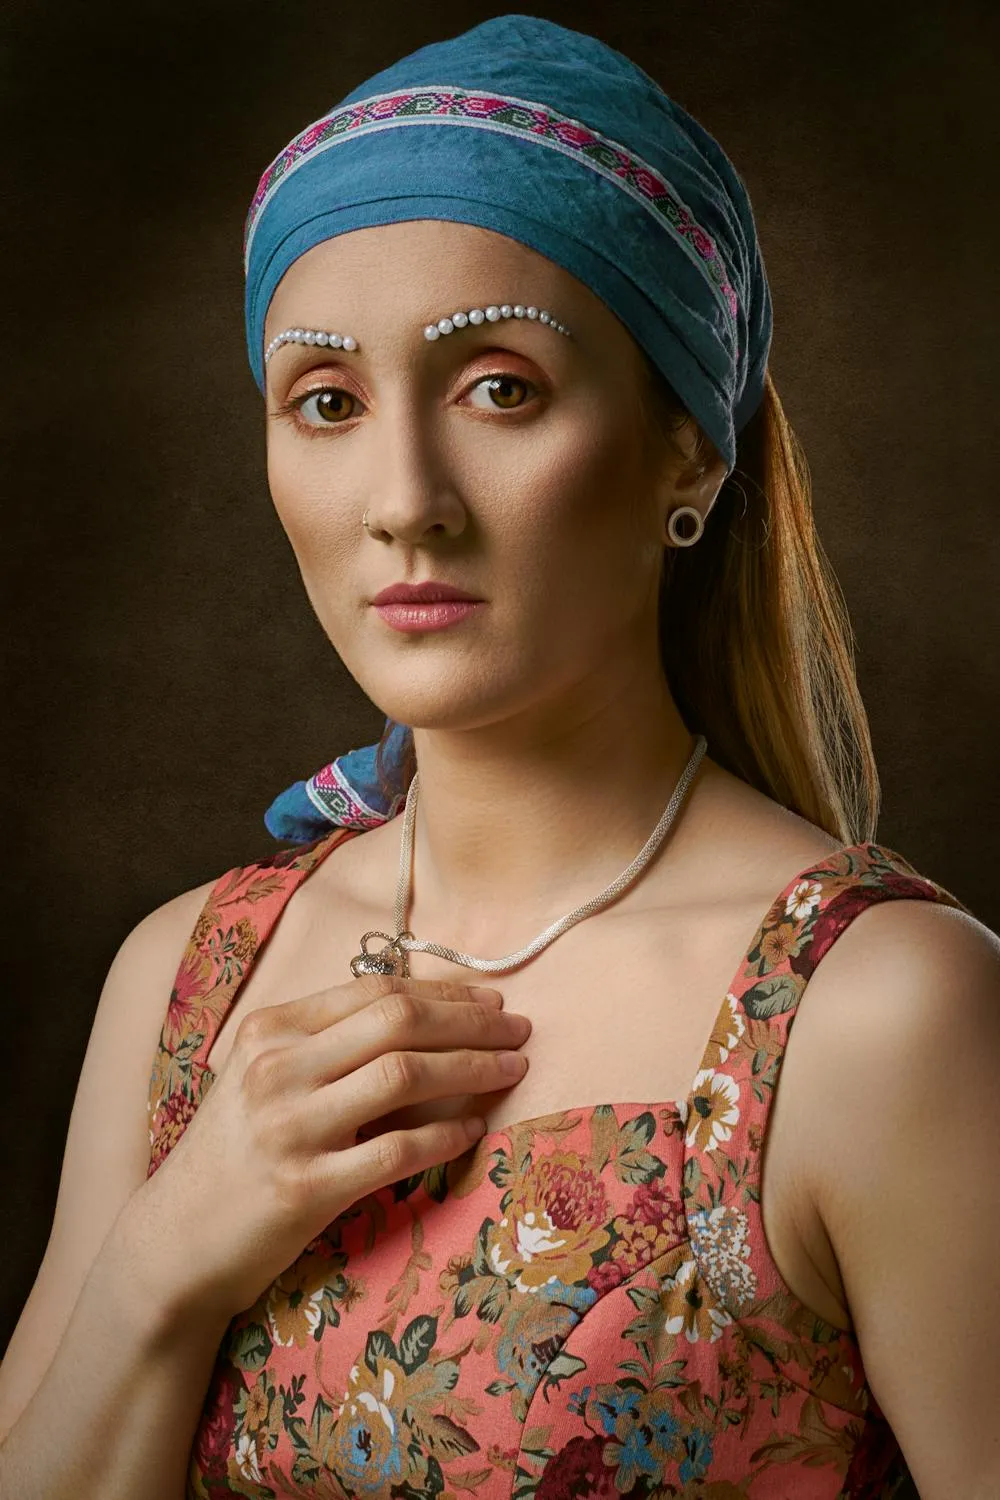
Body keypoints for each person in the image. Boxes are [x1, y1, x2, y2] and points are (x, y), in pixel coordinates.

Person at [1, 14, 997, 1499]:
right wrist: (165, 1257)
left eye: (500, 387)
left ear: (687, 450)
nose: (404, 499)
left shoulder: (879, 1014)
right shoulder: (183, 983)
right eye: (327, 403)